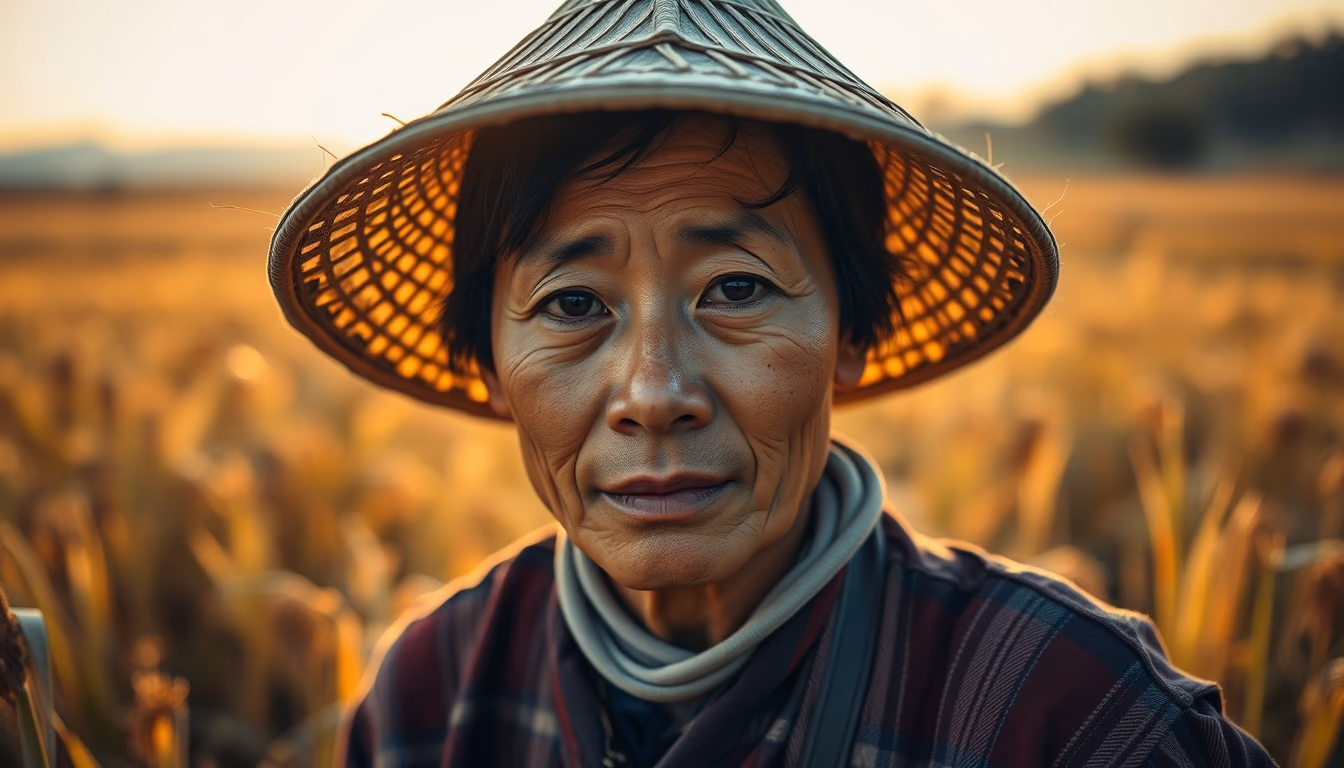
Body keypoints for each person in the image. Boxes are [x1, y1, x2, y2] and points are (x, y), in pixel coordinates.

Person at [266, 1, 1276, 765]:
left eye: (736, 287)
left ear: (850, 332)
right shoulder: (432, 702)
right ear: (489, 364)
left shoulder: (1058, 711)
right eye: (574, 304)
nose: (655, 393)